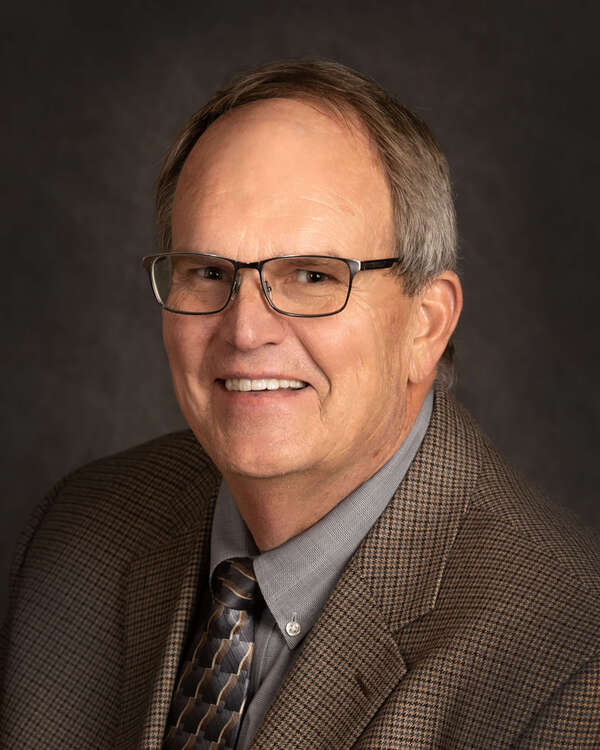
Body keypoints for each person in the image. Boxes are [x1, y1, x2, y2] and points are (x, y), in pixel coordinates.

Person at [1, 59, 599, 750]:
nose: (246, 330)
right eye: (208, 272)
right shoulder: (76, 532)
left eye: (313, 276)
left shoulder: (571, 663)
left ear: (427, 323)